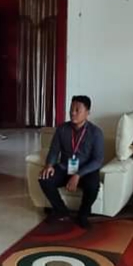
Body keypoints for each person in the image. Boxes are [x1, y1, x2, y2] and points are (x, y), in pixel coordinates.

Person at [38, 95, 104, 229]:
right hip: (65, 167)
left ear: (87, 112)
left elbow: (97, 160)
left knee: (93, 185)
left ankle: (83, 215)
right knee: (45, 178)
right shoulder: (62, 129)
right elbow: (54, 150)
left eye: (77, 110)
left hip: (86, 171)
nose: (73, 113)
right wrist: (49, 165)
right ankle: (61, 211)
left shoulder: (96, 133)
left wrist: (78, 175)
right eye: (71, 109)